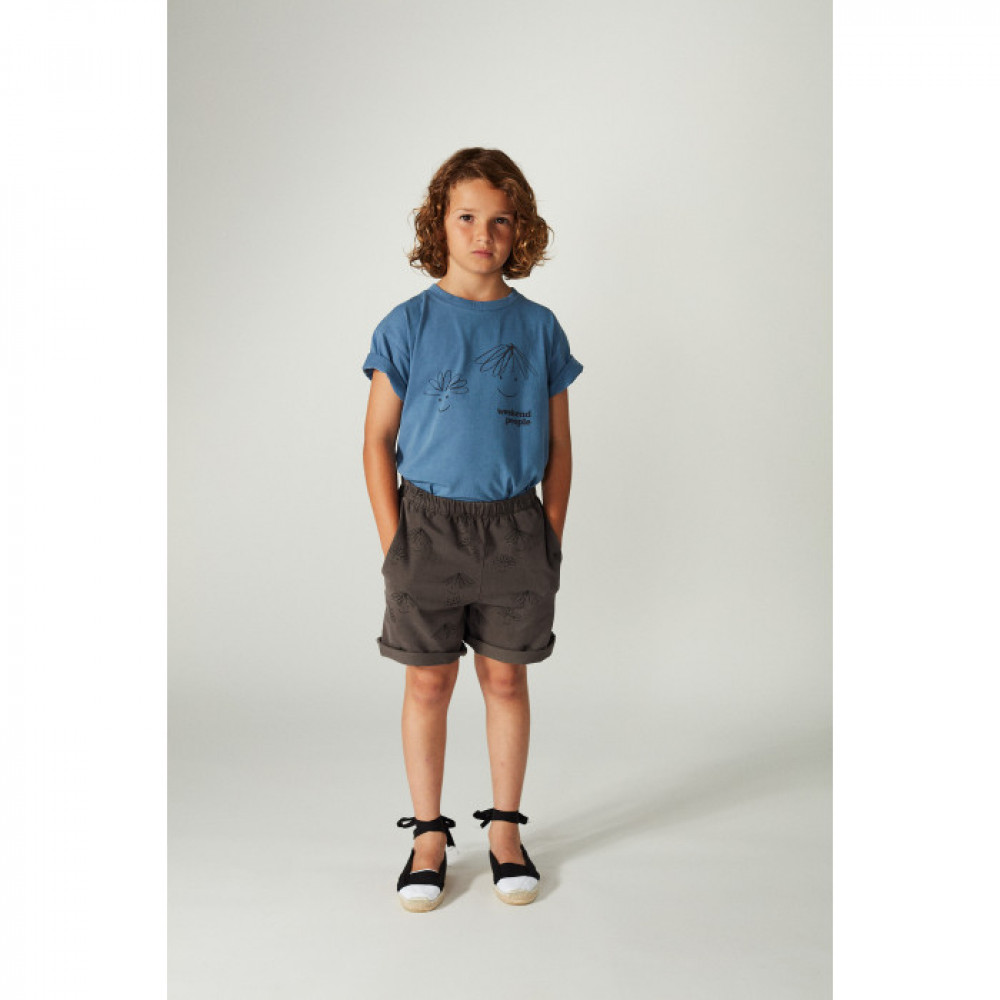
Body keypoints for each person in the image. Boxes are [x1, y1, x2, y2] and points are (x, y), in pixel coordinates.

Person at [361, 148, 583, 912]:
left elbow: (560, 448)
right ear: (440, 224)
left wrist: (549, 535)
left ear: (520, 231)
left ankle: (506, 832)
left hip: (515, 527)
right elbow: (376, 441)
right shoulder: (408, 325)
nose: (483, 235)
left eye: (500, 221)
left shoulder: (540, 328)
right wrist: (396, 544)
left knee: (506, 678)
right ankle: (428, 836)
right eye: (466, 218)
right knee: (428, 681)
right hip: (427, 527)